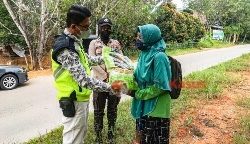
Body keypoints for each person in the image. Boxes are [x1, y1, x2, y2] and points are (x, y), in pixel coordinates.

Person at [51, 5, 120, 144]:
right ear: (74, 26)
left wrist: (109, 58)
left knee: (79, 135)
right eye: (86, 27)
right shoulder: (66, 48)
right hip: (72, 100)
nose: (88, 30)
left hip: (79, 98)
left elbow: (87, 60)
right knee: (73, 138)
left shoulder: (75, 42)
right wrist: (110, 87)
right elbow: (85, 81)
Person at [131, 24, 172, 144]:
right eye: (137, 36)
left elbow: (161, 87)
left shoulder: (159, 57)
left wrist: (138, 93)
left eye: (141, 37)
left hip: (156, 108)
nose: (137, 39)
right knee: (142, 139)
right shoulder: (144, 54)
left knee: (154, 140)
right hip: (142, 104)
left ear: (150, 38)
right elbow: (137, 76)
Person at [88, 17, 122, 144]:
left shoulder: (116, 43)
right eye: (103, 27)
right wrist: (105, 75)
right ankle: (98, 136)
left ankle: (111, 135)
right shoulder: (93, 44)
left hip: (114, 82)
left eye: (108, 27)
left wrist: (114, 76)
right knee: (98, 111)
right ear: (99, 28)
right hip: (99, 82)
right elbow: (91, 62)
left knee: (112, 111)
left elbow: (121, 60)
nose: (106, 29)